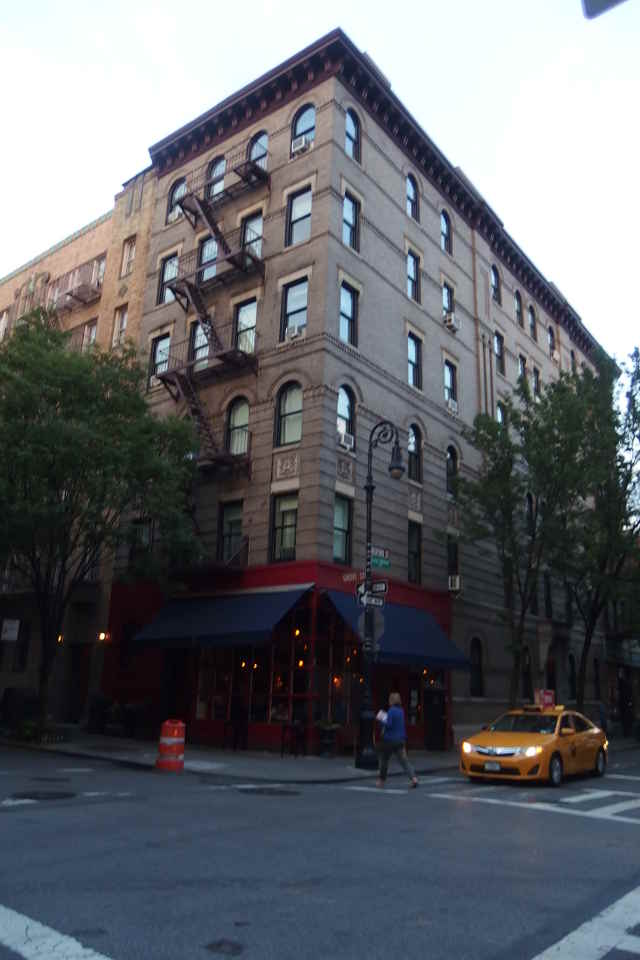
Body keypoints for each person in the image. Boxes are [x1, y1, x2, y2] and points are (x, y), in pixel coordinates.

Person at [376, 692, 418, 789]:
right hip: (400, 740)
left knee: (384, 760)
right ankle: (414, 778)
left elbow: (389, 724)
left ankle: (382, 781)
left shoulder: (391, 711)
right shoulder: (401, 711)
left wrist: (381, 719)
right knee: (404, 761)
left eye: (389, 699)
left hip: (389, 740)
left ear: (391, 700)